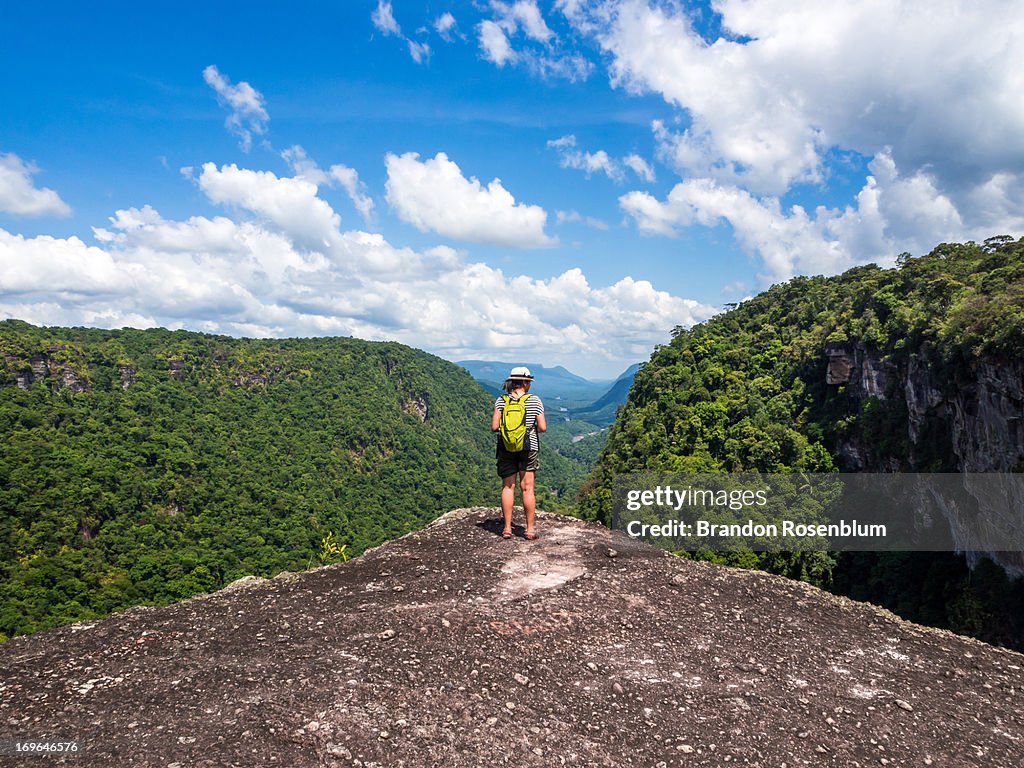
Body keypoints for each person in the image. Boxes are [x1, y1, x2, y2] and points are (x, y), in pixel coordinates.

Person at [491, 366, 546, 540]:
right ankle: (529, 530)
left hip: (506, 447)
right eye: (528, 382)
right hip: (529, 447)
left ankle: (507, 528)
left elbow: (494, 427)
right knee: (527, 488)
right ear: (524, 382)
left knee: (508, 486)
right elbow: (543, 428)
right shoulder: (534, 400)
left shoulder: (501, 401)